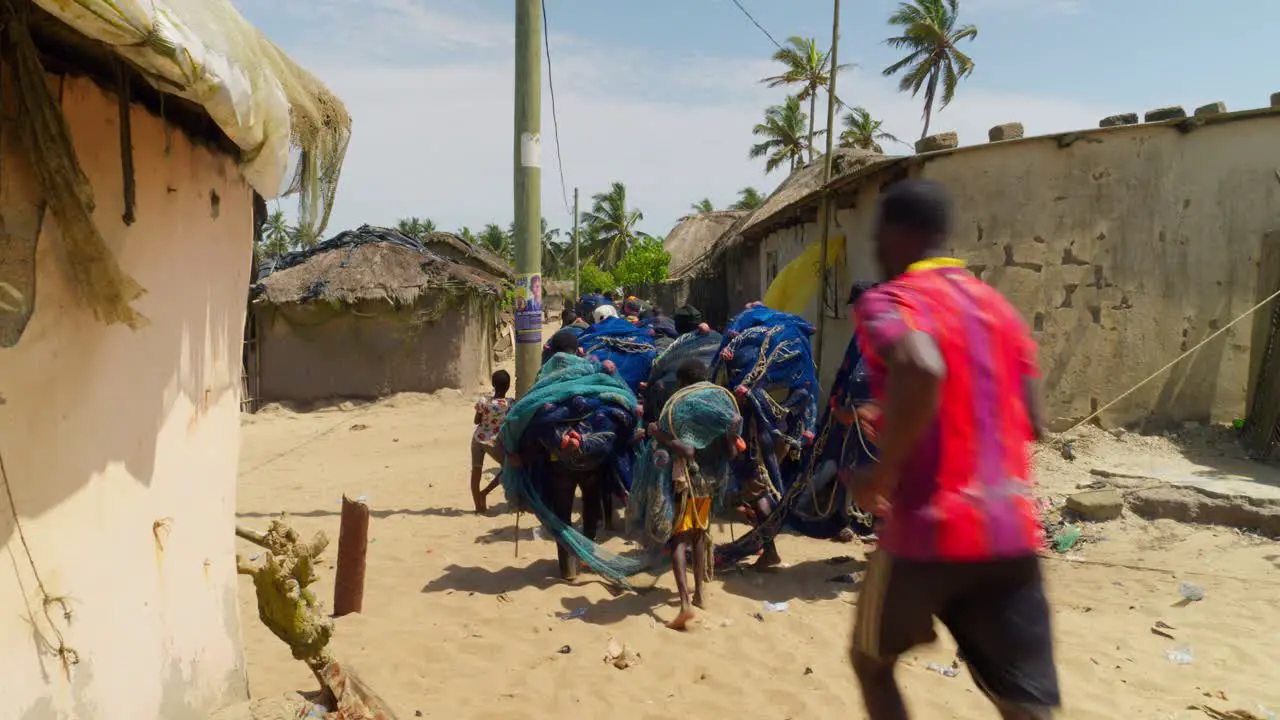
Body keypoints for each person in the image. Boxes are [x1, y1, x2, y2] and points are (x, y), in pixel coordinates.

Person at [843, 179, 1056, 720]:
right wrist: (904, 421)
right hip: (1011, 535)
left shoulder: (889, 302)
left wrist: (880, 474)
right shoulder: (1001, 309)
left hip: (927, 530)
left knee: (872, 660)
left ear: (893, 236)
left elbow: (922, 366)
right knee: (1023, 704)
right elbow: (1035, 419)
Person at [645, 358, 742, 630]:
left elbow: (687, 451)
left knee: (678, 539)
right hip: (711, 481)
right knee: (700, 534)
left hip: (687, 481)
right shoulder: (721, 408)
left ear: (683, 383)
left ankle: (685, 603)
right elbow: (733, 453)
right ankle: (700, 593)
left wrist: (656, 433)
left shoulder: (679, 410)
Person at [471, 369, 513, 513]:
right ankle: (485, 492)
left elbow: (476, 421)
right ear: (508, 386)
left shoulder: (484, 401)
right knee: (508, 467)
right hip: (494, 442)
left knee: (476, 471)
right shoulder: (510, 404)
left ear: (493, 385)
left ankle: (478, 506)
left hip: (478, 439)